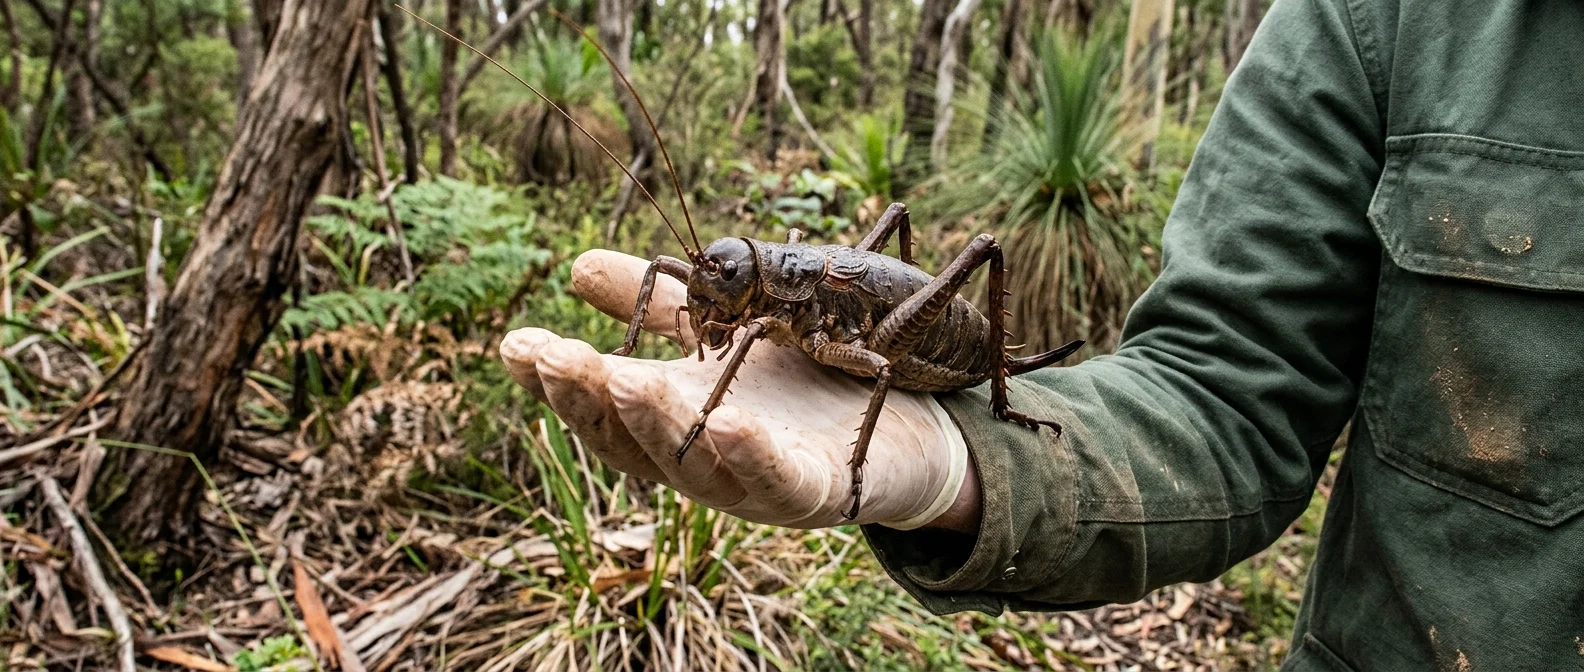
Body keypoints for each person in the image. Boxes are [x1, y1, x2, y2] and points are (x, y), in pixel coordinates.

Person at [501, 0, 1584, 667]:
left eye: (733, 289)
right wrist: (963, 474)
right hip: (894, 327)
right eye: (720, 285)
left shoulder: (811, 308)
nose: (724, 307)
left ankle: (1008, 381)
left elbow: (859, 355)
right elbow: (1230, 392)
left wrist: (957, 417)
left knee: (925, 292)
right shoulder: (1385, 20)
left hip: (933, 344)